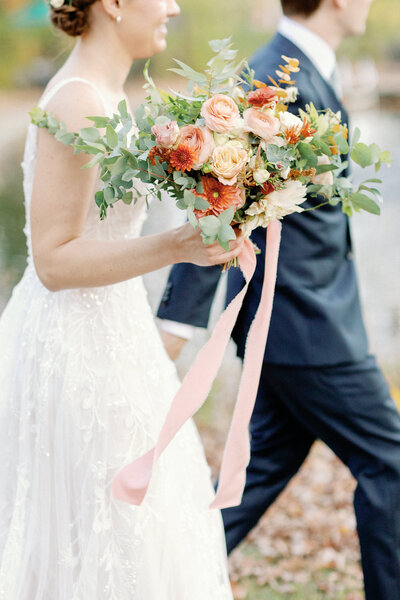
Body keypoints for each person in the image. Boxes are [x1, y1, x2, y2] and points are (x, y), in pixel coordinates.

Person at [0, 0, 245, 597]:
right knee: (97, 520)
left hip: (117, 327)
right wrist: (175, 245)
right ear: (112, 4)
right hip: (75, 344)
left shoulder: (111, 97)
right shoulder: (77, 101)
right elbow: (54, 261)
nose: (173, 7)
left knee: (138, 518)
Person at [157, 0, 400, 598]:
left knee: (260, 467)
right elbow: (216, 205)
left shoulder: (304, 67)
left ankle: (157, 573)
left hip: (303, 320)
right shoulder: (272, 81)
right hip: (304, 327)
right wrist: (175, 330)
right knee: (391, 466)